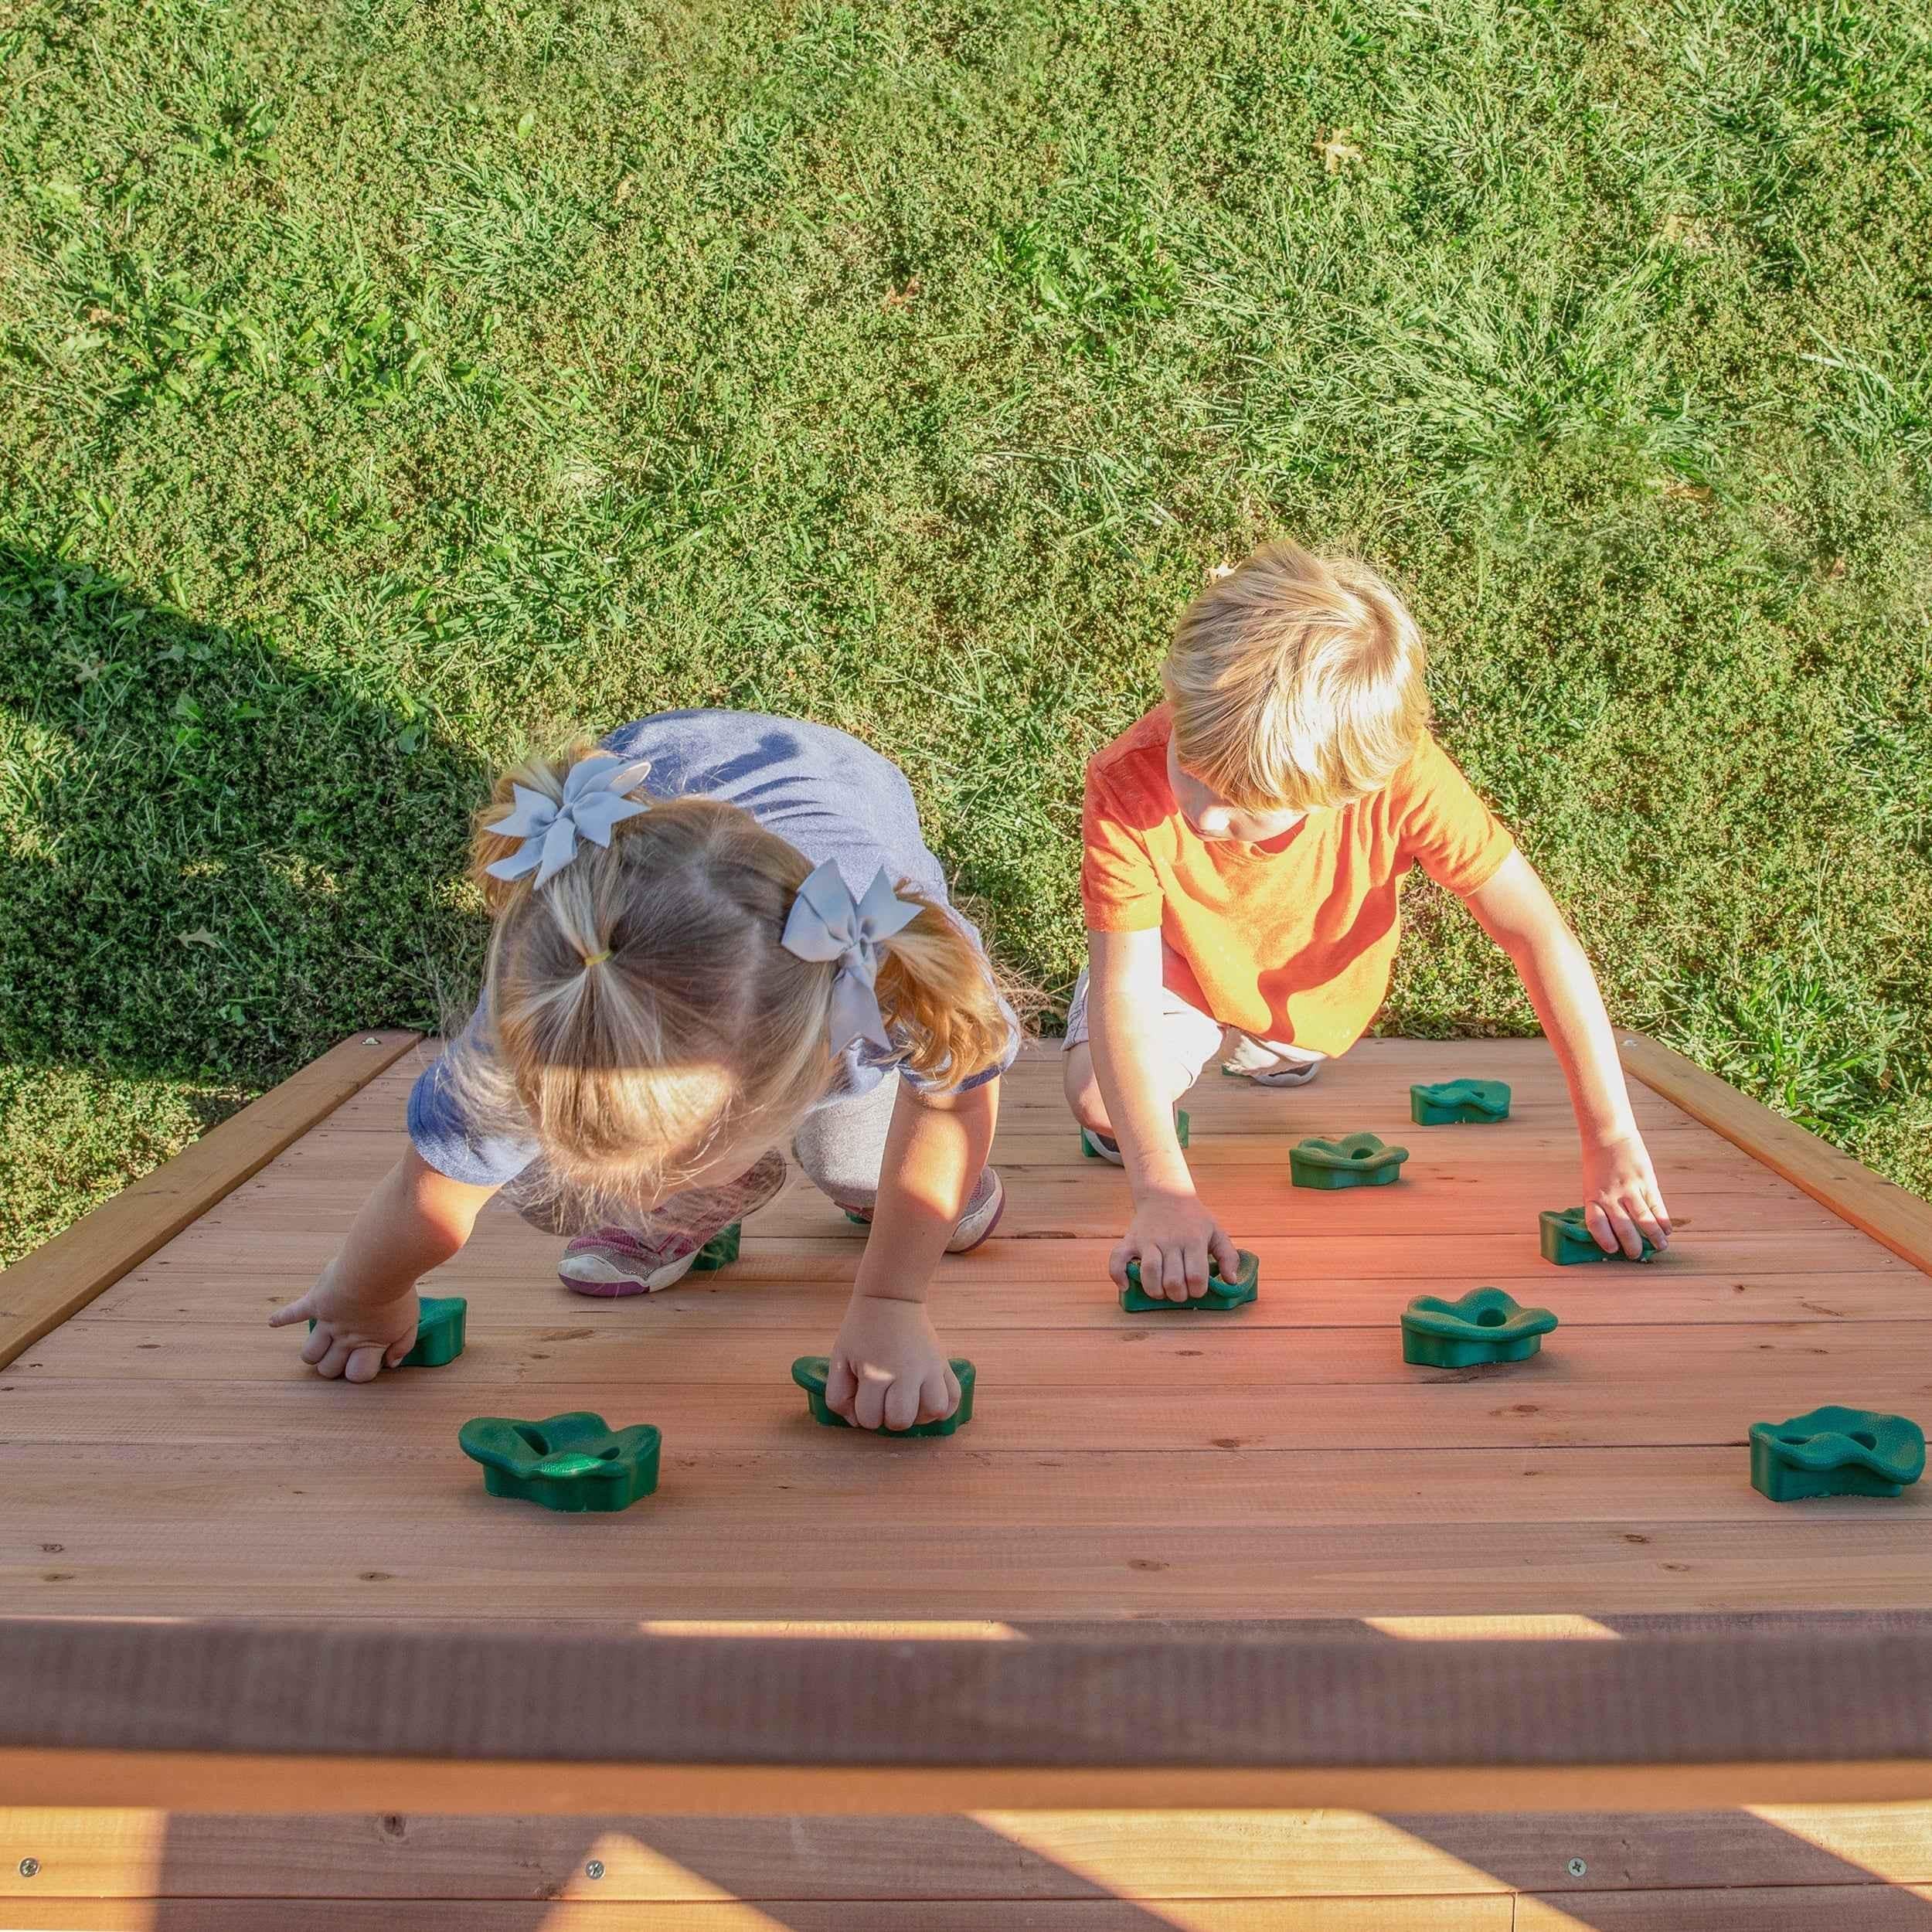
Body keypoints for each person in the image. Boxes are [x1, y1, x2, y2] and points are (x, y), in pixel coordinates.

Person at [271, 711, 1019, 1430]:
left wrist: (891, 1300)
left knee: (866, 1166)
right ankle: (722, 1187)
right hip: (655, 806)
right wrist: (363, 1293)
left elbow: (950, 1103)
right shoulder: (536, 1024)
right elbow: (430, 1191)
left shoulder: (891, 971)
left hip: (839, 782)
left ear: (808, 1062)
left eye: (683, 1161)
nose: (641, 1194)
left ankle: (842, 1177)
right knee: (548, 1188)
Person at [1064, 541, 1671, 1301]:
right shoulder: (1126, 780)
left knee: (1288, 1037)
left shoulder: (1401, 776)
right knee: (1099, 1098)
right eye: (1193, 767)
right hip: (1173, 968)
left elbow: (1533, 932)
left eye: (1245, 806)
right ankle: (1197, 1058)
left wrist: (1610, 1137)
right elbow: (1124, 988)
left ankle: (1268, 1045)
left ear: (1345, 792)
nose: (1205, 812)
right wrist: (1161, 1191)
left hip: (1311, 990)